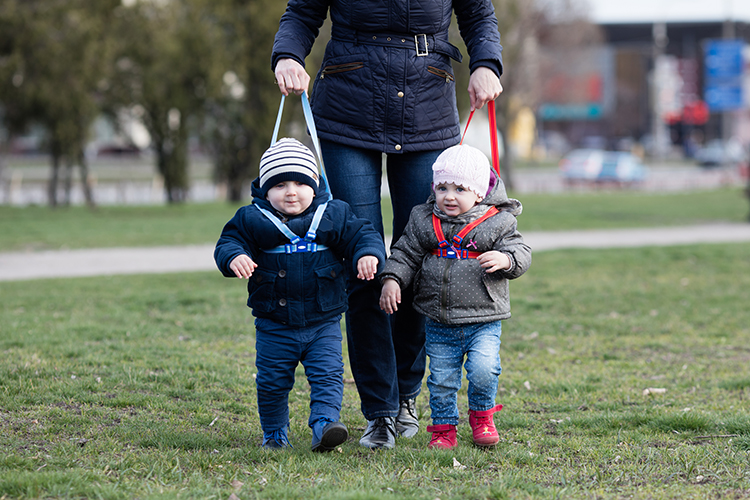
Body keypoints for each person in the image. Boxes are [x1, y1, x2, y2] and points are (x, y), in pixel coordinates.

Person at [272, 0, 505, 449]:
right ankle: (378, 410)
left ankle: (407, 397)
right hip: (347, 106)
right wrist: (287, 55)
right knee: (364, 259)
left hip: (427, 107)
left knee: (419, 258)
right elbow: (302, 12)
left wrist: (486, 63)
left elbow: (478, 13)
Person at [214, 138, 386, 451]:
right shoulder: (252, 219)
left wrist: (367, 254)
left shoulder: (333, 214)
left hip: (323, 323)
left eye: (299, 183)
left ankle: (324, 426)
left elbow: (363, 233)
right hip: (274, 325)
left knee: (328, 377)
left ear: (315, 185)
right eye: (279, 185)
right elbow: (228, 243)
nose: (291, 192)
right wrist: (233, 256)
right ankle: (275, 433)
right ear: (266, 190)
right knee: (272, 383)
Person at [379, 144, 531, 449]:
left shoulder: (497, 221)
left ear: (478, 193)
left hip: (483, 318)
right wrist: (393, 279)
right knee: (442, 380)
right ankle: (444, 429)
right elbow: (405, 253)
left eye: (460, 188)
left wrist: (506, 260)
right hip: (439, 319)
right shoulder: (424, 219)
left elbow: (520, 251)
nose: (449, 195)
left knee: (484, 370)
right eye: (442, 187)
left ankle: (482, 416)